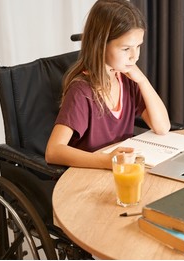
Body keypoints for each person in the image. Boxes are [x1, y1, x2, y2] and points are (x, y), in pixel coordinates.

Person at [45, 0, 170, 170]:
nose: (135, 56)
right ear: (100, 45)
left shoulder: (127, 79)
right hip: (88, 177)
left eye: (138, 46)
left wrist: (142, 80)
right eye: (126, 49)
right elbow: (53, 151)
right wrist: (107, 161)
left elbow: (162, 127)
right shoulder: (81, 91)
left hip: (119, 173)